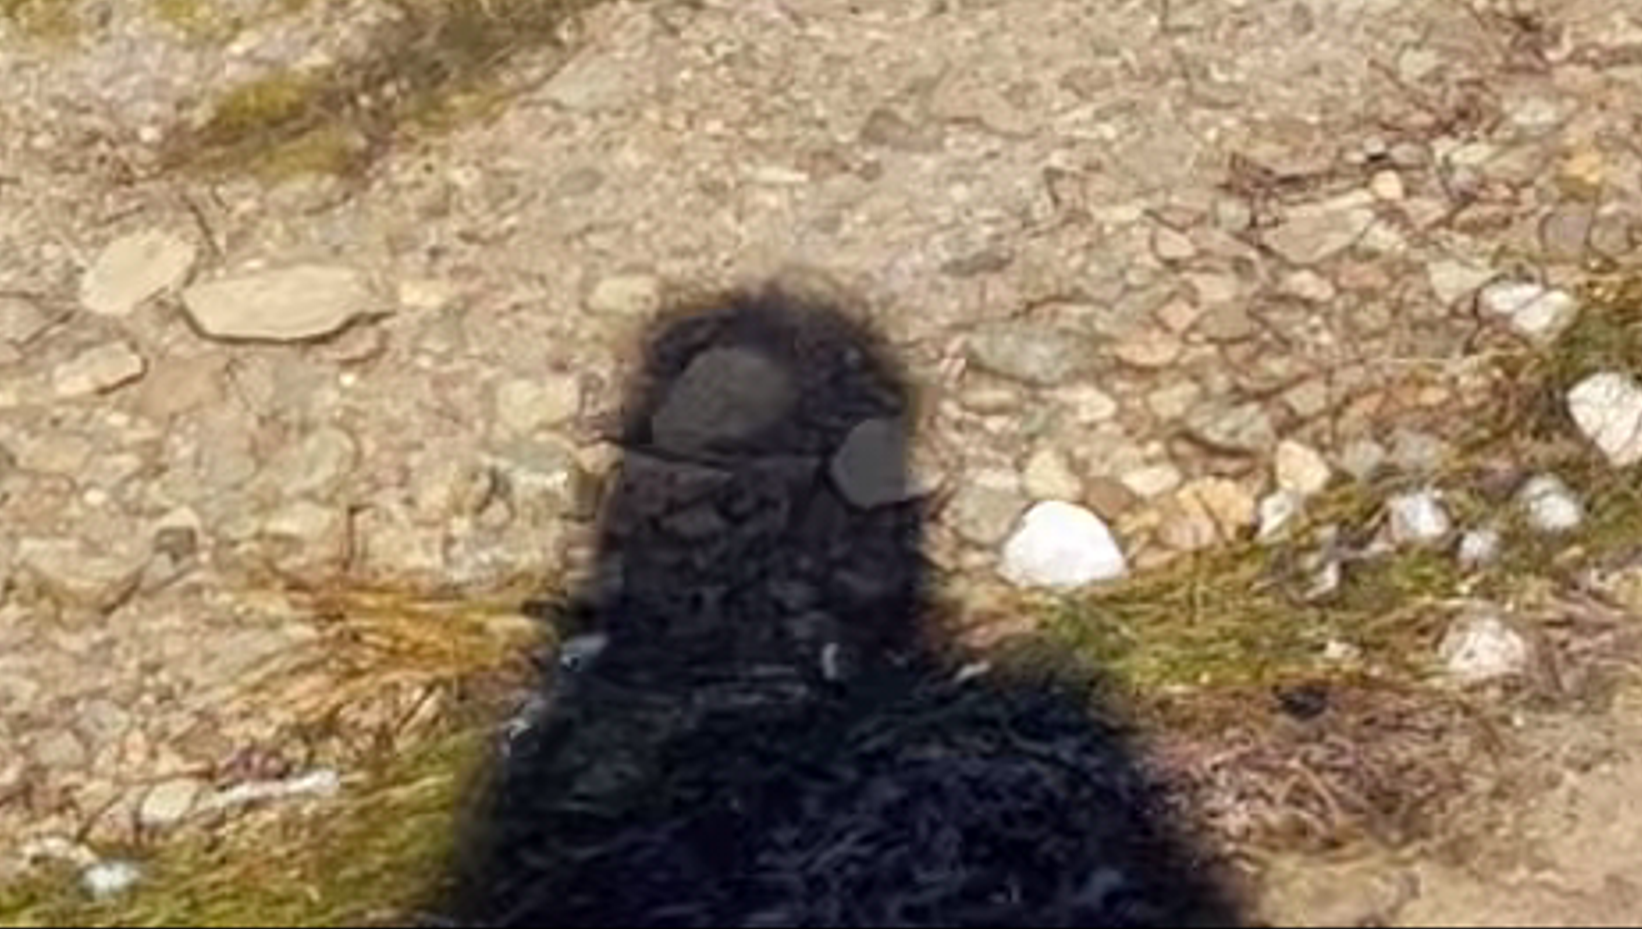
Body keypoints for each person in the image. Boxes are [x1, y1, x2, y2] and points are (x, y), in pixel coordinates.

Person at [426, 280, 1250, 926]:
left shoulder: (998, 782)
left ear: (848, 533)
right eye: (648, 472)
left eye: (726, 489)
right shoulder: (557, 763)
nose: (659, 512)